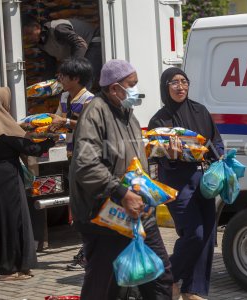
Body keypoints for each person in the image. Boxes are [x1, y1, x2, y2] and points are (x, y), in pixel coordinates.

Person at [69, 59, 173, 300]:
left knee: (159, 276)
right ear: (114, 88)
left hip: (138, 214)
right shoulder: (95, 113)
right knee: (105, 284)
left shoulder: (128, 114)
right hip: (104, 216)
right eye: (132, 84)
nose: (136, 89)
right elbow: (86, 165)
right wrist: (122, 193)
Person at [148, 67, 224, 300]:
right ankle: (166, 279)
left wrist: (218, 155)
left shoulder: (200, 111)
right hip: (176, 184)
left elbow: (216, 141)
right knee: (195, 233)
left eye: (184, 81)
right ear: (165, 87)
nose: (180, 86)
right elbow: (154, 154)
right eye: (174, 82)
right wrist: (169, 155)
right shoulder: (159, 120)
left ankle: (193, 291)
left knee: (208, 235)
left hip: (205, 182)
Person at [0, 87, 55, 281]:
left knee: (4, 221)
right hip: (7, 180)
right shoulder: (4, 128)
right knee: (13, 221)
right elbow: (32, 149)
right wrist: (51, 140)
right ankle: (9, 269)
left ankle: (15, 266)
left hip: (2, 179)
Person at [49, 57, 94, 270]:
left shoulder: (90, 100)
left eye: (63, 75)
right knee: (77, 205)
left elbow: (89, 126)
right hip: (71, 156)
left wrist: (65, 122)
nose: (60, 78)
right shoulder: (65, 96)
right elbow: (59, 119)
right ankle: (87, 249)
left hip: (87, 157)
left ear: (75, 78)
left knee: (87, 205)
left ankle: (89, 251)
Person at [22, 15, 102, 91]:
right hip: (84, 51)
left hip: (94, 41)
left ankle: (81, 103)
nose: (28, 38)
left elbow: (80, 45)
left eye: (29, 34)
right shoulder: (42, 45)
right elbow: (50, 66)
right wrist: (44, 85)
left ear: (37, 27)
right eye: (25, 36)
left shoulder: (58, 29)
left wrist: (71, 69)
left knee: (84, 78)